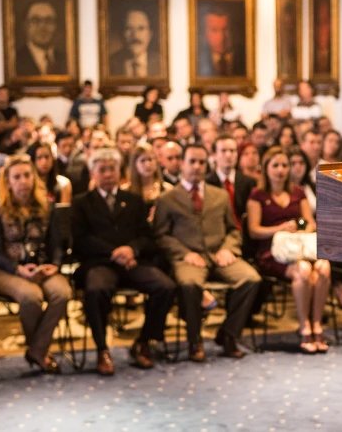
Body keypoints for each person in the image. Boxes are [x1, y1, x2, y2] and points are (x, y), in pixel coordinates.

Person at [72, 148, 176, 375]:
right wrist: (115, 252)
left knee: (165, 286)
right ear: (93, 173)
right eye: (103, 170)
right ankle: (102, 349)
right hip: (100, 262)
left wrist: (132, 249)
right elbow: (80, 240)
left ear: (120, 171)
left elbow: (147, 237)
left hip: (132, 261)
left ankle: (144, 342)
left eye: (112, 169)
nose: (108, 174)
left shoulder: (134, 200)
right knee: (96, 289)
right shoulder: (82, 202)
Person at [154, 144, 261, 362]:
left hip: (219, 254)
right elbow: (161, 235)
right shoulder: (167, 198)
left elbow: (233, 229)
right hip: (188, 258)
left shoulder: (219, 195)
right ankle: (195, 340)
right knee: (189, 285)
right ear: (182, 164)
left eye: (201, 162)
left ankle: (228, 335)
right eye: (192, 161)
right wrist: (184, 253)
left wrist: (228, 248)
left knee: (251, 279)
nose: (197, 167)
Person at [0, 154, 71, 374]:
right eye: (17, 177)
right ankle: (41, 352)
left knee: (61, 293)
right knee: (31, 296)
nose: (23, 180)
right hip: (7, 271)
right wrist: (18, 270)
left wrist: (55, 265)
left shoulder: (48, 207)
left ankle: (36, 350)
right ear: (8, 182)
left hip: (43, 268)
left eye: (27, 175)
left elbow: (56, 245)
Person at [247, 147, 327, 354]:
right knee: (303, 270)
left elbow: (311, 223)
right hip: (272, 252)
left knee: (324, 266)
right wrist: (280, 229)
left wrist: (300, 231)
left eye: (284, 165)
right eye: (275, 165)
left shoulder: (297, 192)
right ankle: (305, 327)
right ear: (266, 169)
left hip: (298, 247)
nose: (280, 170)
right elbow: (254, 231)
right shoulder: (258, 194)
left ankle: (317, 324)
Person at [206, 136, 257, 228]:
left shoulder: (249, 182)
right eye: (223, 151)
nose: (228, 155)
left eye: (232, 151)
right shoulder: (207, 183)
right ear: (214, 155)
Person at [15, 1, 68, 76]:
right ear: (25, 25)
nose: (42, 27)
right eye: (35, 20)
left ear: (56, 26)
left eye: (48, 20)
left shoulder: (65, 59)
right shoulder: (15, 59)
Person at [109, 8, 160, 77]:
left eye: (141, 28)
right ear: (121, 33)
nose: (135, 35)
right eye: (129, 28)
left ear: (150, 34)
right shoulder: (110, 63)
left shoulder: (161, 62)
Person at [197, 6, 245, 77]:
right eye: (214, 30)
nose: (221, 37)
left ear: (234, 30)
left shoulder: (246, 57)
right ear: (205, 33)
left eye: (225, 29)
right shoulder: (197, 59)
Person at [124, 142, 173, 206]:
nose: (148, 165)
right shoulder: (126, 191)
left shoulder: (167, 189)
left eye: (150, 159)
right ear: (135, 164)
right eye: (143, 161)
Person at [287, 145, 317, 215]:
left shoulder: (312, 186)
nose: (298, 167)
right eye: (293, 163)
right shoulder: (282, 189)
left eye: (301, 162)